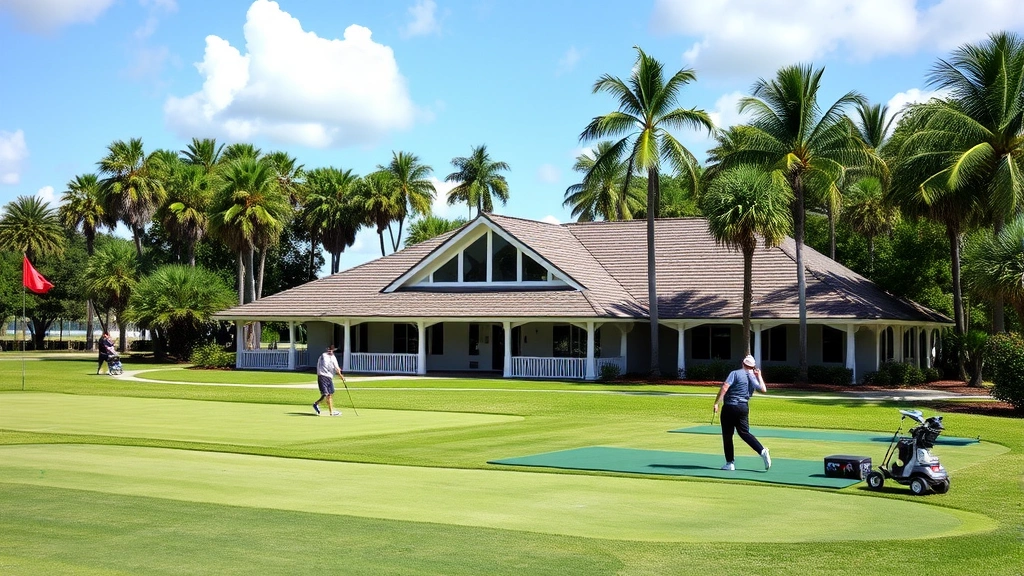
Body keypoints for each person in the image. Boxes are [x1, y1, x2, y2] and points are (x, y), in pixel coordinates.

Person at [712, 354, 771, 471]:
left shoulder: (735, 373)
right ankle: (762, 450)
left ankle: (730, 463)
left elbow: (725, 387)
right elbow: (764, 390)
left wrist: (717, 403)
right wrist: (759, 376)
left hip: (730, 407)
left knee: (728, 435)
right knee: (744, 433)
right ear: (753, 366)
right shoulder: (753, 378)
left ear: (743, 364)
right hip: (743, 407)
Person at [313, 344, 344, 416]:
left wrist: (341, 375)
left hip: (329, 377)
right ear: (327, 350)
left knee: (329, 394)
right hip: (322, 376)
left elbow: (336, 368)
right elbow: (325, 365)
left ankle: (319, 405)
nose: (330, 351)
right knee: (326, 394)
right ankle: (328, 411)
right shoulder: (323, 356)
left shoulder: (333, 357)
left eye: (332, 350)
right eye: (329, 349)